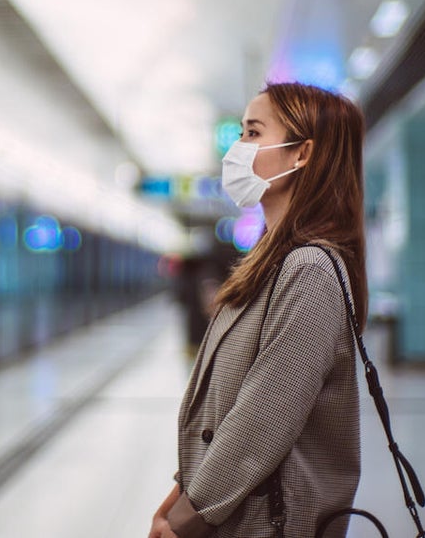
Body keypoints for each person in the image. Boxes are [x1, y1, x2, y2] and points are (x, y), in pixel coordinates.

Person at [149, 82, 366, 538]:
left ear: (300, 153)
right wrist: (175, 499)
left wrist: (186, 520)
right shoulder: (270, 260)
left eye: (252, 133)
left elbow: (261, 422)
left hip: (268, 523)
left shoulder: (308, 269)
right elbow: (223, 409)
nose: (238, 149)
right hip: (237, 513)